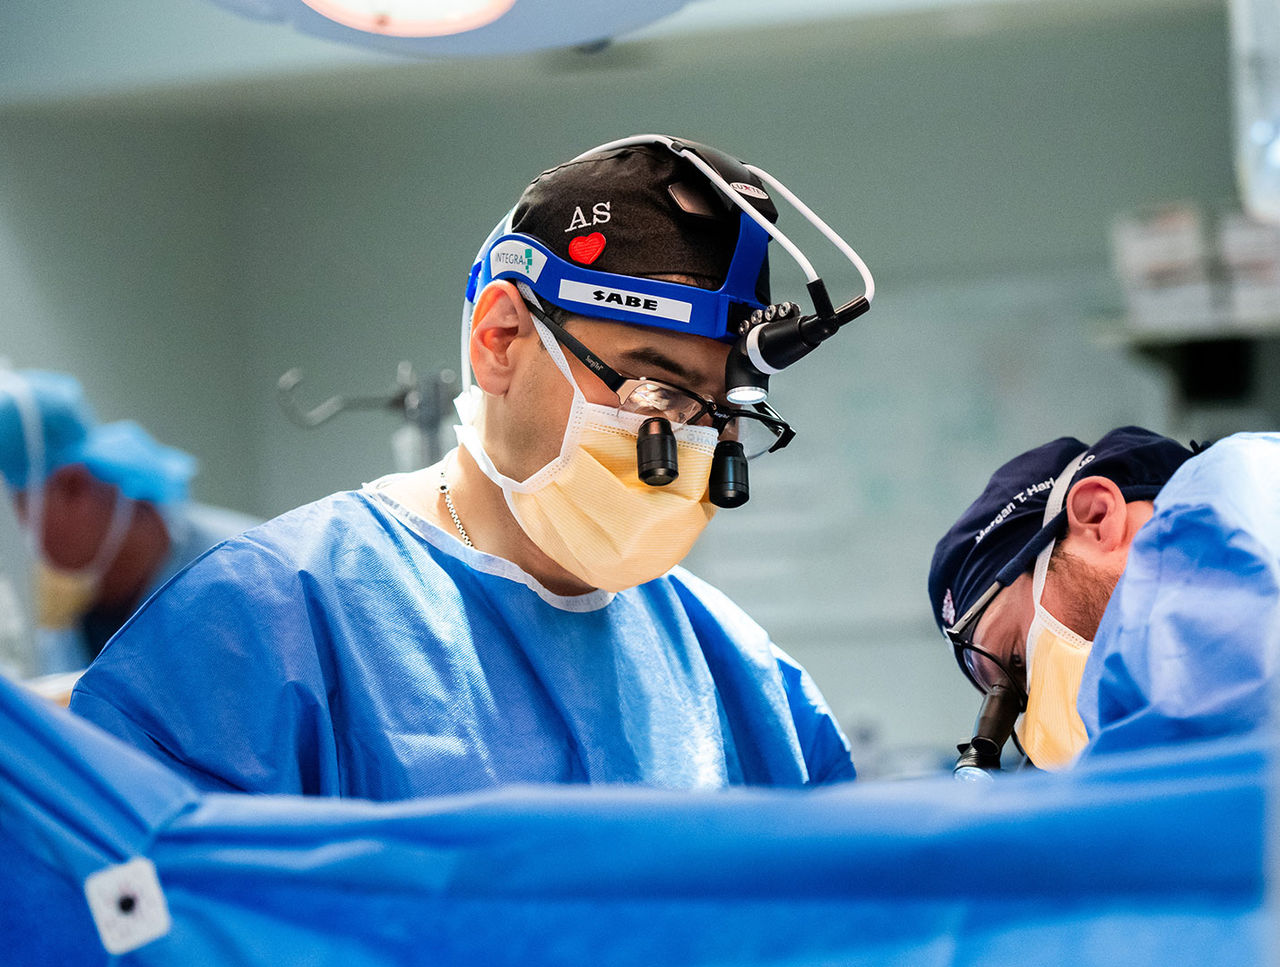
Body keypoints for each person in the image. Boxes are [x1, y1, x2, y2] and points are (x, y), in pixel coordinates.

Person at [69, 136, 861, 798]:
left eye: (718, 413)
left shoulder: (737, 671)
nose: (687, 443)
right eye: (655, 389)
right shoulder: (271, 625)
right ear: (502, 338)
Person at [928, 425, 1280, 771]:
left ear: (1097, 516)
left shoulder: (1245, 498)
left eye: (1018, 658)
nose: (1041, 719)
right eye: (1021, 701)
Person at [0, 368, 260, 683]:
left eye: (21, 503)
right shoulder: (79, 613)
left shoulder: (246, 567)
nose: (22, 527)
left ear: (74, 487)